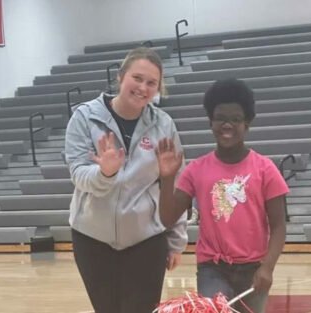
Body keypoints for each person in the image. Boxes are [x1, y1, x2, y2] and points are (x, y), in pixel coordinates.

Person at [64, 47, 187, 313]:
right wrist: (105, 173)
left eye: (151, 83)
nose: (143, 87)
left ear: (157, 89)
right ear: (121, 77)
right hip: (92, 239)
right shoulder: (85, 118)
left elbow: (175, 186)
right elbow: (78, 175)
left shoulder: (164, 125)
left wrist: (176, 240)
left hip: (147, 240)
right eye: (137, 78)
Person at [155, 78, 289, 313]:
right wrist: (167, 179)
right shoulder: (196, 169)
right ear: (211, 122)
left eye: (235, 119)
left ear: (247, 123)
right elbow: (167, 219)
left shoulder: (265, 169)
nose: (227, 124)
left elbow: (278, 226)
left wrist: (267, 267)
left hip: (254, 269)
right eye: (220, 118)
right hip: (212, 268)